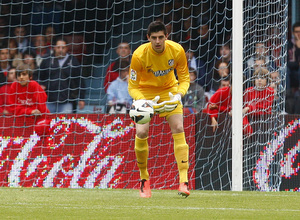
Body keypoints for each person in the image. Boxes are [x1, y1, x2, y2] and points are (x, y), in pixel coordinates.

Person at [128, 21, 190, 198]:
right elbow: (132, 87)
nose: (157, 41)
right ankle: (144, 180)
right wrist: (143, 101)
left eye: (160, 37)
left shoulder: (177, 50)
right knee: (141, 132)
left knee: (178, 127)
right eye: (154, 38)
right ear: (148, 38)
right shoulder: (139, 55)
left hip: (169, 92)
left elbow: (184, 78)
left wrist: (179, 95)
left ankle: (183, 182)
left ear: (166, 37)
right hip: (145, 94)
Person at [38, 38, 85, 113]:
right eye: (58, 47)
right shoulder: (47, 60)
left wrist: (81, 98)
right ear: (54, 48)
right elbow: (38, 75)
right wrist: (41, 84)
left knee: (65, 123)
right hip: (49, 100)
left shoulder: (73, 61)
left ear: (67, 48)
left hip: (67, 102)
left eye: (63, 47)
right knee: (46, 123)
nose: (60, 50)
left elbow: (80, 81)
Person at [8, 64, 50, 136]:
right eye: (19, 75)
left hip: (40, 120)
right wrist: (30, 111)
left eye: (24, 74)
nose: (21, 77)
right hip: (22, 121)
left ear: (30, 77)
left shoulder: (34, 85)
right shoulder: (14, 86)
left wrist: (30, 111)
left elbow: (40, 107)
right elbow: (13, 108)